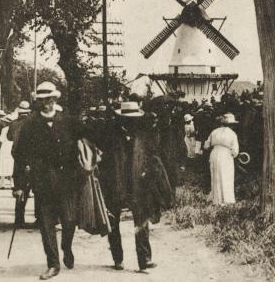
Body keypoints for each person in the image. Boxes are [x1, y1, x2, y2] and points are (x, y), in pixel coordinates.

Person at [12, 82, 81, 280]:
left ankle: (66, 247)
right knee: (46, 224)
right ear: (38, 102)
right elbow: (19, 156)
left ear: (55, 100)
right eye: (42, 101)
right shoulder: (30, 125)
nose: (46, 104)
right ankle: (53, 264)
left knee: (69, 221)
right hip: (42, 181)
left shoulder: (68, 121)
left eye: (49, 100)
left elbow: (86, 142)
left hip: (67, 181)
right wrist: (18, 185)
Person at [98, 101, 168, 272]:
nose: (131, 122)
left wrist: (148, 173)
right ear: (121, 118)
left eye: (134, 119)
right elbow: (104, 162)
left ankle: (144, 260)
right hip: (116, 185)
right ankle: (117, 258)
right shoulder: (111, 137)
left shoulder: (144, 136)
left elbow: (153, 158)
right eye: (127, 119)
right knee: (113, 222)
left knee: (142, 221)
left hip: (138, 184)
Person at [204, 113, 239, 205]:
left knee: (215, 175)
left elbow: (206, 145)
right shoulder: (232, 134)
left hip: (214, 153)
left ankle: (216, 198)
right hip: (225, 154)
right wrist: (233, 154)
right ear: (231, 124)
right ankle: (226, 199)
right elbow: (235, 150)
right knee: (226, 175)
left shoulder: (214, 131)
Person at [8, 101, 32, 225]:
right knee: (37, 189)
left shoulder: (13, 124)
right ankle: (41, 218)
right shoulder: (33, 124)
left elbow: (9, 138)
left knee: (19, 188)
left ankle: (19, 218)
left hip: (18, 159)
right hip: (31, 159)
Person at [0, 114, 15, 189]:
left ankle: (2, 183)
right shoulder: (15, 128)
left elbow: (0, 140)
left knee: (3, 164)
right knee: (11, 164)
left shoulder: (4, 129)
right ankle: (12, 183)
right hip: (11, 146)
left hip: (5, 146)